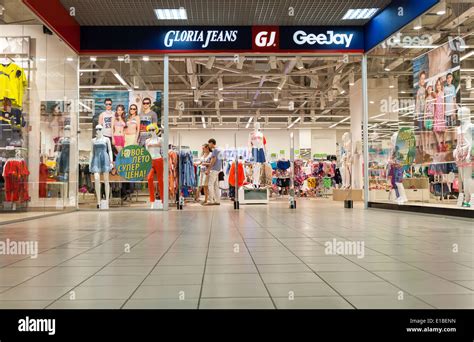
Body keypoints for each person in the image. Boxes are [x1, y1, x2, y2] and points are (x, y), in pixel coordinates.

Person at [205, 138, 223, 205]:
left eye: (209, 143)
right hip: (218, 169)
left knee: (210, 184)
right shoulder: (220, 150)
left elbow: (213, 160)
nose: (208, 145)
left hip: (214, 169)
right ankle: (217, 200)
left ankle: (211, 201)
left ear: (212, 143)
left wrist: (208, 170)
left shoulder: (215, 150)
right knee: (216, 185)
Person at [433, 78, 446, 152]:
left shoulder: (442, 93)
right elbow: (435, 105)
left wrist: (443, 114)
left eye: (439, 85)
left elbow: (443, 104)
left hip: (441, 113)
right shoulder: (435, 94)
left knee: (443, 130)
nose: (438, 86)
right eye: (437, 85)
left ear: (441, 86)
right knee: (435, 130)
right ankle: (439, 145)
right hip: (436, 114)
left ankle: (443, 144)